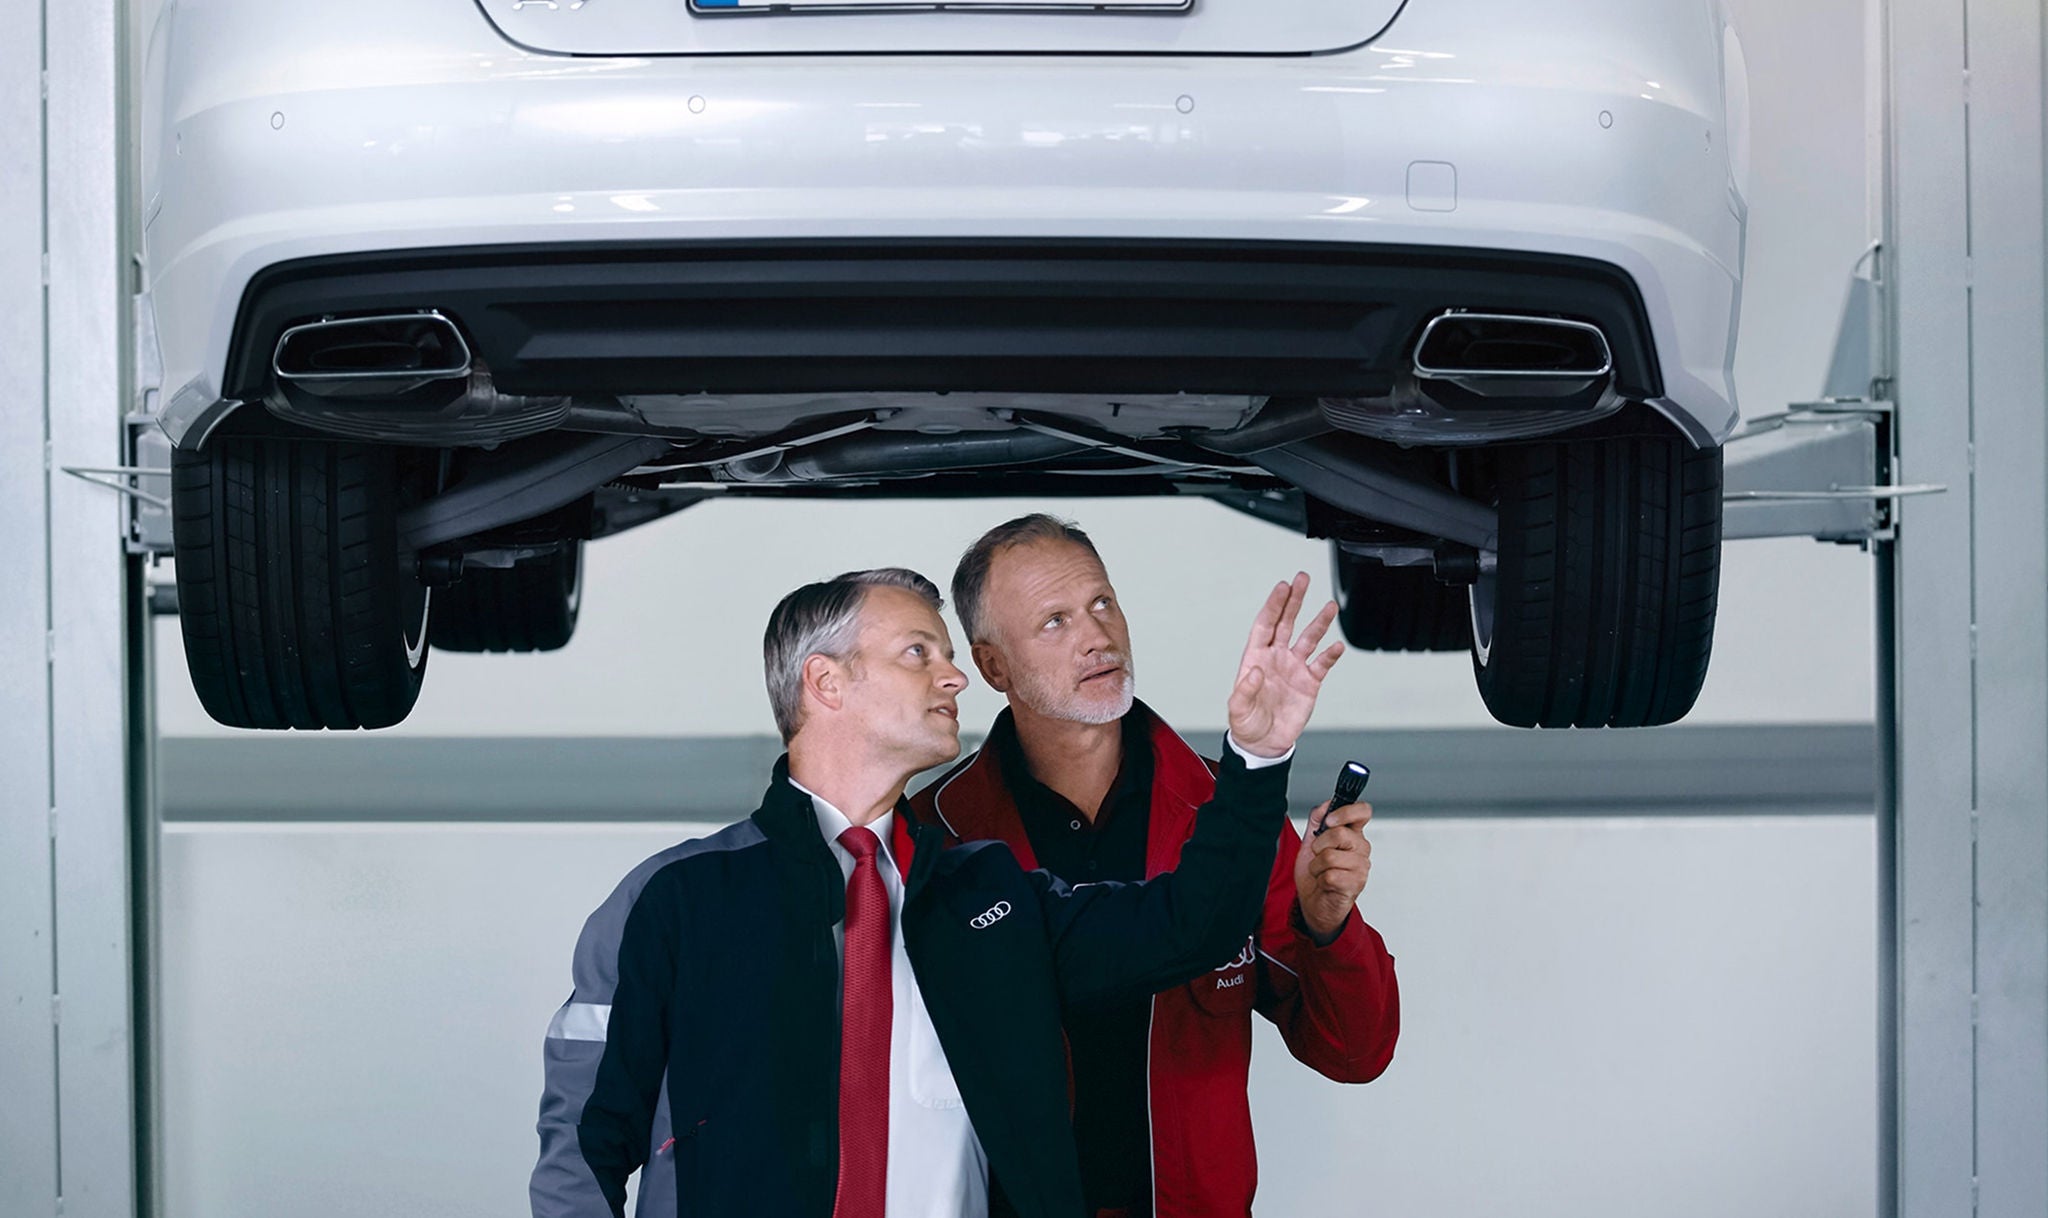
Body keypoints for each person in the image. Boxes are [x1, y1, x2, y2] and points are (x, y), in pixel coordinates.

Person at [530, 566, 1345, 1218]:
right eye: (919, 653)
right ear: (826, 682)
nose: (957, 678)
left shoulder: (988, 895)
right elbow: (581, 1145)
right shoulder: (672, 901)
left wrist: (1257, 757)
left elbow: (1190, 927)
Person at [911, 515, 1400, 1218]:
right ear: (993, 667)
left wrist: (1327, 927)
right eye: (1054, 621)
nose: (1096, 636)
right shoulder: (934, 831)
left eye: (1102, 604)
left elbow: (1355, 1052)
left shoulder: (1226, 812)